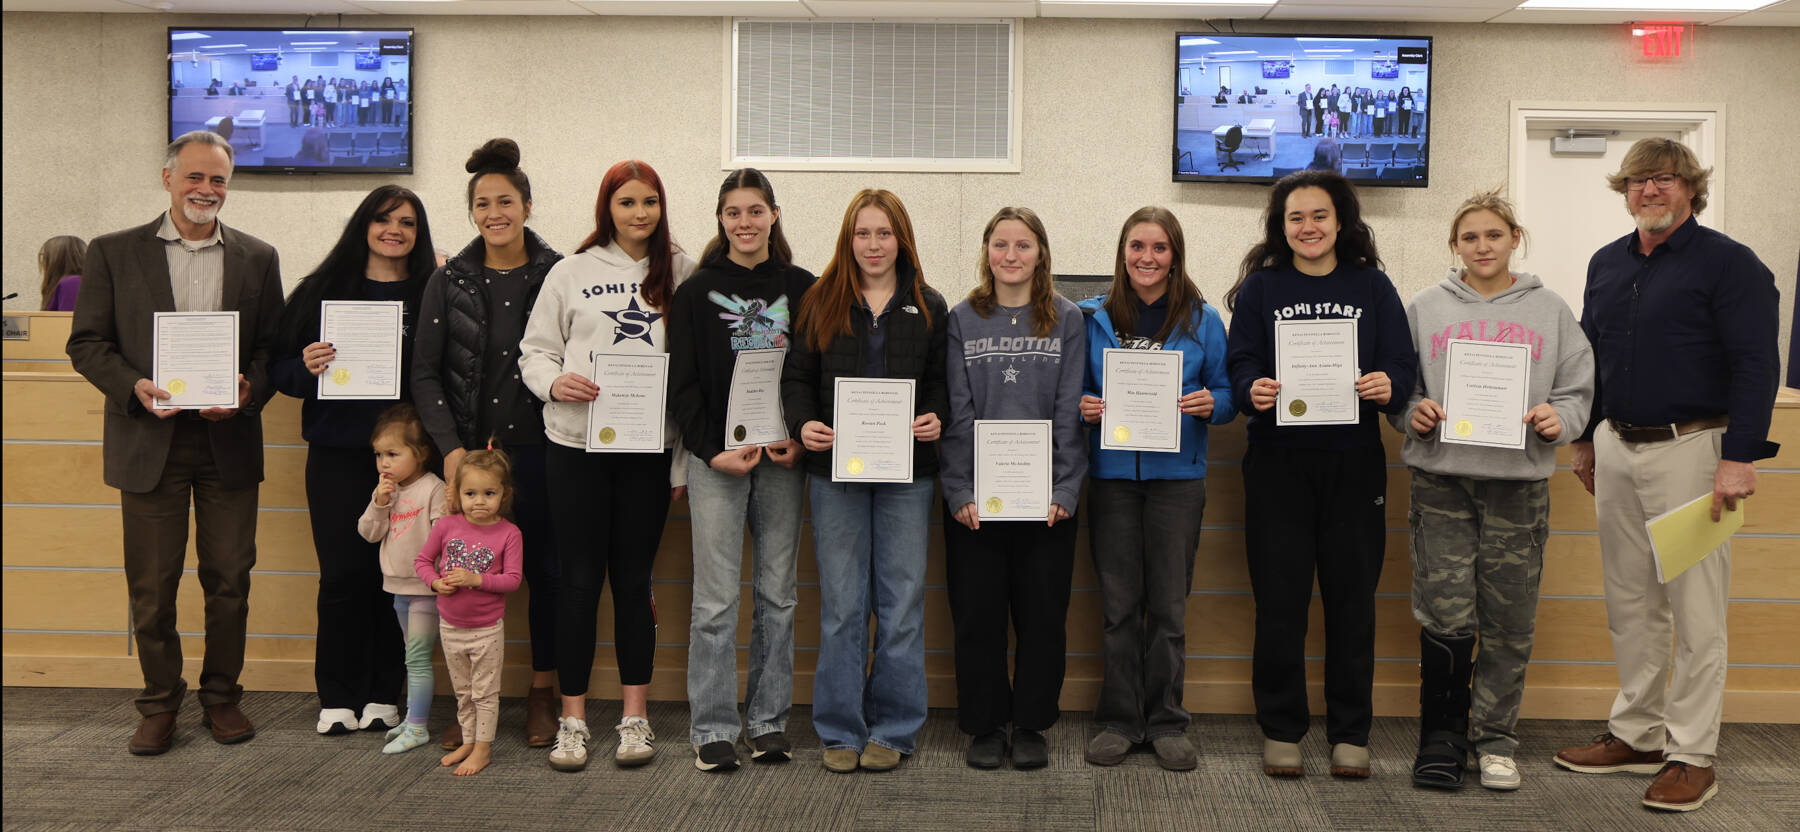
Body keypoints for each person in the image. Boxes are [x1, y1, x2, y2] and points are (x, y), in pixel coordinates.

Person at [1553, 139, 1780, 813]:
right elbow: (1589, 355)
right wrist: (1586, 441)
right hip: (1617, 446)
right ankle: (1638, 734)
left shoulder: (1731, 266)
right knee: (1630, 602)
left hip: (1695, 451)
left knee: (1696, 611)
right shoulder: (1606, 263)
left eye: (1663, 180)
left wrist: (1739, 457)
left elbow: (1755, 367)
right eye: (1637, 182)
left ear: (1690, 188)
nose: (1649, 191)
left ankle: (1691, 753)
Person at [65, 130, 282, 755]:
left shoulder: (258, 257)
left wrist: (248, 391)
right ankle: (160, 703)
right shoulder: (112, 253)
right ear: (167, 180)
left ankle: (222, 699)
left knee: (230, 580)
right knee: (153, 586)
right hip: (148, 440)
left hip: (227, 441)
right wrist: (134, 385)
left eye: (217, 179)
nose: (206, 190)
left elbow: (270, 347)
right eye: (194, 178)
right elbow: (87, 344)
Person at [1394, 191, 1595, 791]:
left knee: (1509, 618)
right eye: (1469, 237)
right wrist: (1412, 411)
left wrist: (1563, 421)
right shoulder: (1425, 308)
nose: (1482, 247)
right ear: (1454, 245)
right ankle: (1442, 737)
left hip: (1519, 487)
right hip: (1443, 482)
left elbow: (1576, 389)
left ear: (1515, 240)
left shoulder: (1550, 310)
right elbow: (1399, 386)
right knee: (1445, 614)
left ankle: (1496, 739)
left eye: (1494, 235)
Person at [1224, 170, 1416, 780]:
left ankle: (1349, 732)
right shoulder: (1260, 288)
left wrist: (1390, 385)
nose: (1308, 227)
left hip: (1353, 464)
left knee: (1351, 600)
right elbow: (1241, 361)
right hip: (1278, 462)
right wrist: (1250, 386)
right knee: (1279, 600)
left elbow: (1399, 364)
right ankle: (1281, 727)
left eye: (1319, 216)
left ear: (1342, 222)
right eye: (1295, 218)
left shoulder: (1372, 285)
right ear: (1281, 228)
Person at [520, 159, 694, 772]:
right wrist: (554, 383)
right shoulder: (570, 271)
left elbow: (690, 376)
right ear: (607, 208)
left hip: (645, 454)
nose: (639, 213)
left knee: (632, 583)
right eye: (627, 203)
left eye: (649, 202)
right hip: (575, 449)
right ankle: (572, 719)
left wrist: (677, 465)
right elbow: (534, 351)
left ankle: (635, 717)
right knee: (577, 583)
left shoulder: (682, 271)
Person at [782, 189, 949, 774]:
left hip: (908, 476)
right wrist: (805, 424)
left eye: (884, 233)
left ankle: (895, 728)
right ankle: (840, 729)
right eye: (862, 233)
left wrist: (936, 418)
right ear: (846, 239)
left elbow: (939, 385)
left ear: (901, 238)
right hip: (836, 476)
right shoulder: (819, 301)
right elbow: (797, 378)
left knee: (901, 605)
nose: (873, 245)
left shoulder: (929, 305)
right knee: (843, 606)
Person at [413, 138, 565, 752]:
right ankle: (472, 703)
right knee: (467, 577)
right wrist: (448, 447)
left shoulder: (559, 273)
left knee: (547, 576)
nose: (494, 212)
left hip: (545, 452)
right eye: (483, 203)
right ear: (472, 211)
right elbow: (424, 372)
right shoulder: (449, 278)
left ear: (527, 205)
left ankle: (540, 693)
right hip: (471, 461)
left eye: (506, 200)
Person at [270, 185, 437, 737]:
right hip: (339, 454)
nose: (395, 230)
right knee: (342, 575)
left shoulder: (432, 291)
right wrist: (306, 364)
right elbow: (280, 372)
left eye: (408, 222)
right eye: (385, 219)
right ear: (363, 224)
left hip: (409, 463)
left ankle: (382, 693)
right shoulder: (321, 289)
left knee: (398, 578)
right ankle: (338, 695)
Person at [667, 168, 814, 773]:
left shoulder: (804, 287)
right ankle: (713, 727)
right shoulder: (696, 291)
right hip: (718, 462)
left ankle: (768, 721)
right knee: (715, 601)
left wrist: (801, 439)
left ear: (774, 215)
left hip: (783, 459)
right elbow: (684, 384)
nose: (745, 222)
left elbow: (814, 372)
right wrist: (710, 450)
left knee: (778, 595)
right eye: (734, 212)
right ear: (720, 219)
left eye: (756, 210)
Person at [1078, 206, 1235, 772]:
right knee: (1120, 609)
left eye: (1160, 247)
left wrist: (1212, 404)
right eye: (1137, 246)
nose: (1148, 258)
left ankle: (1167, 720)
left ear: (1176, 254)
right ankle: (1120, 720)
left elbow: (1227, 393)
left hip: (1177, 482)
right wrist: (1083, 407)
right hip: (1114, 479)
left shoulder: (1203, 319)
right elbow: (1071, 392)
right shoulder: (1090, 316)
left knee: (1168, 609)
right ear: (1122, 252)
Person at [939, 207, 1085, 771]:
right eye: (1000, 245)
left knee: (1042, 616)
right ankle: (984, 723)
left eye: (1023, 245)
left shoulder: (1067, 319)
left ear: (1041, 253)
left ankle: (1030, 723)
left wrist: (1066, 488)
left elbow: (1070, 411)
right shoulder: (961, 319)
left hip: (1046, 500)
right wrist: (959, 490)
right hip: (978, 499)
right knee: (977, 615)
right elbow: (958, 412)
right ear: (987, 252)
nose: (1011, 256)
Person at [414, 448, 523, 777]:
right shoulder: (446, 526)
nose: (479, 501)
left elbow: (513, 580)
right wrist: (434, 583)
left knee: (484, 693)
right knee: (462, 691)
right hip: (450, 625)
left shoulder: (509, 533)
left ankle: (483, 749)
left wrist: (477, 579)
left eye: (489, 493)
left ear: (504, 495)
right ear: (457, 494)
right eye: (470, 493)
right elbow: (422, 562)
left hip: (486, 629)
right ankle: (468, 739)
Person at [355, 403, 446, 754]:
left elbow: (442, 540)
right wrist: (379, 504)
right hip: (396, 587)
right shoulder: (386, 491)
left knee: (418, 658)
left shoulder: (433, 489)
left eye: (393, 454)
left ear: (421, 454)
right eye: (379, 454)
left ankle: (418, 726)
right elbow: (368, 533)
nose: (384, 463)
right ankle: (413, 719)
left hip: (425, 589)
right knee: (412, 654)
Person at [38, 234, 87, 311]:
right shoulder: (75, 281)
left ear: (56, 260)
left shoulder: (72, 282)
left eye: (45, 256)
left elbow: (67, 320)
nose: (43, 262)